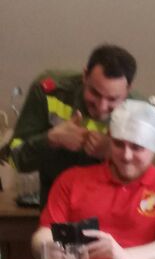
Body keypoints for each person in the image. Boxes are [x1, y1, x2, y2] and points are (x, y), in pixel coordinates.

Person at [32, 100, 155, 259]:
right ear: (109, 140)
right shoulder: (71, 180)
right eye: (119, 144)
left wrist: (124, 256)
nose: (126, 156)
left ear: (154, 149)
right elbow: (44, 233)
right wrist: (47, 248)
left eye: (137, 147)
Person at [4, 43, 137, 203]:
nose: (101, 107)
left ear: (128, 89)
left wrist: (112, 152)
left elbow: (148, 181)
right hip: (56, 206)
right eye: (94, 93)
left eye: (112, 99)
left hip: (112, 209)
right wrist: (51, 140)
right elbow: (15, 159)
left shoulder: (139, 111)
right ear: (85, 75)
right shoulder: (49, 92)